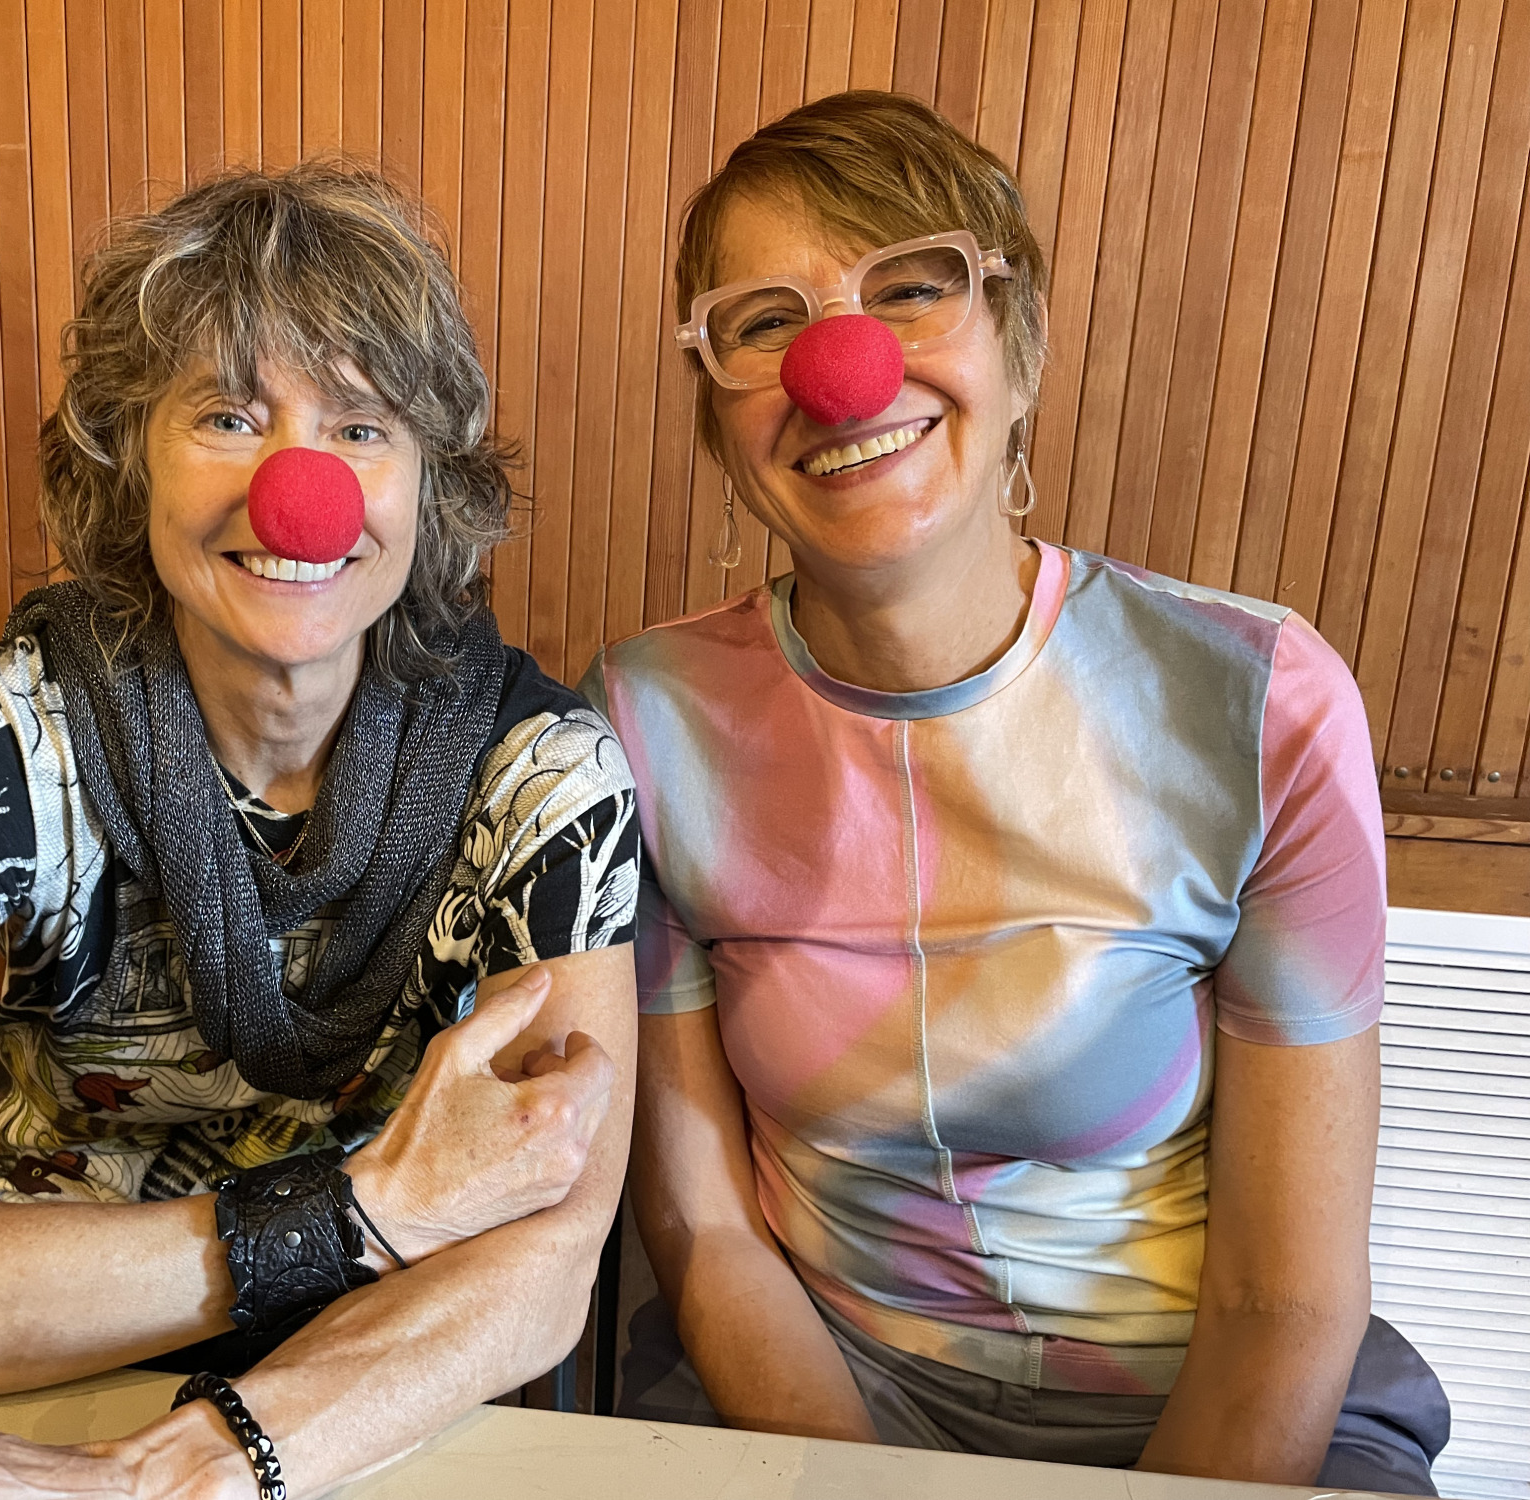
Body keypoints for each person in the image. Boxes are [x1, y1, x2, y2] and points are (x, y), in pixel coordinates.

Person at [585, 91, 1449, 1493]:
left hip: (1210, 1400)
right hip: (819, 1389)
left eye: (910, 288)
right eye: (764, 321)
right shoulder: (642, 718)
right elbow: (704, 1230)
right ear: (720, 410)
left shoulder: (1256, 704)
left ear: (1020, 341)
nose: (843, 368)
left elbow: (1283, 1305)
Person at [0, 163, 640, 1499]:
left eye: (360, 428)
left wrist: (163, 1478)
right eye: (229, 415)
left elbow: (548, 1257)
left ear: (425, 485)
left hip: (385, 1397)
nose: (302, 491)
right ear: (129, 465)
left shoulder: (544, 779)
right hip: (36, 1373)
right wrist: (359, 1216)